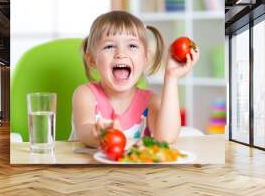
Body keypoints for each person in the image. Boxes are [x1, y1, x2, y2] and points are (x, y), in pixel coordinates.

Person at [70, 11, 199, 148]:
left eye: (132, 46)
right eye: (109, 46)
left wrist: (171, 76)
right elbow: (84, 131)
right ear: (92, 60)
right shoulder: (85, 94)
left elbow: (166, 137)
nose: (121, 54)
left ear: (145, 58)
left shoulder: (151, 102)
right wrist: (98, 134)